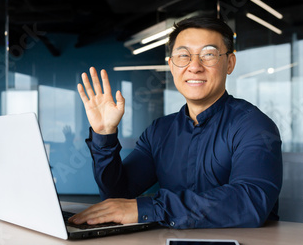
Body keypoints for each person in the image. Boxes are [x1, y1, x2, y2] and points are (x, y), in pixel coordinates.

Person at [69, 15, 282, 229]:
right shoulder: (159, 131)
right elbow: (117, 198)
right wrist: (105, 135)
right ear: (171, 66)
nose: (195, 66)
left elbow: (250, 201)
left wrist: (150, 208)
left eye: (208, 55)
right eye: (183, 56)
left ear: (230, 63)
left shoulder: (253, 125)